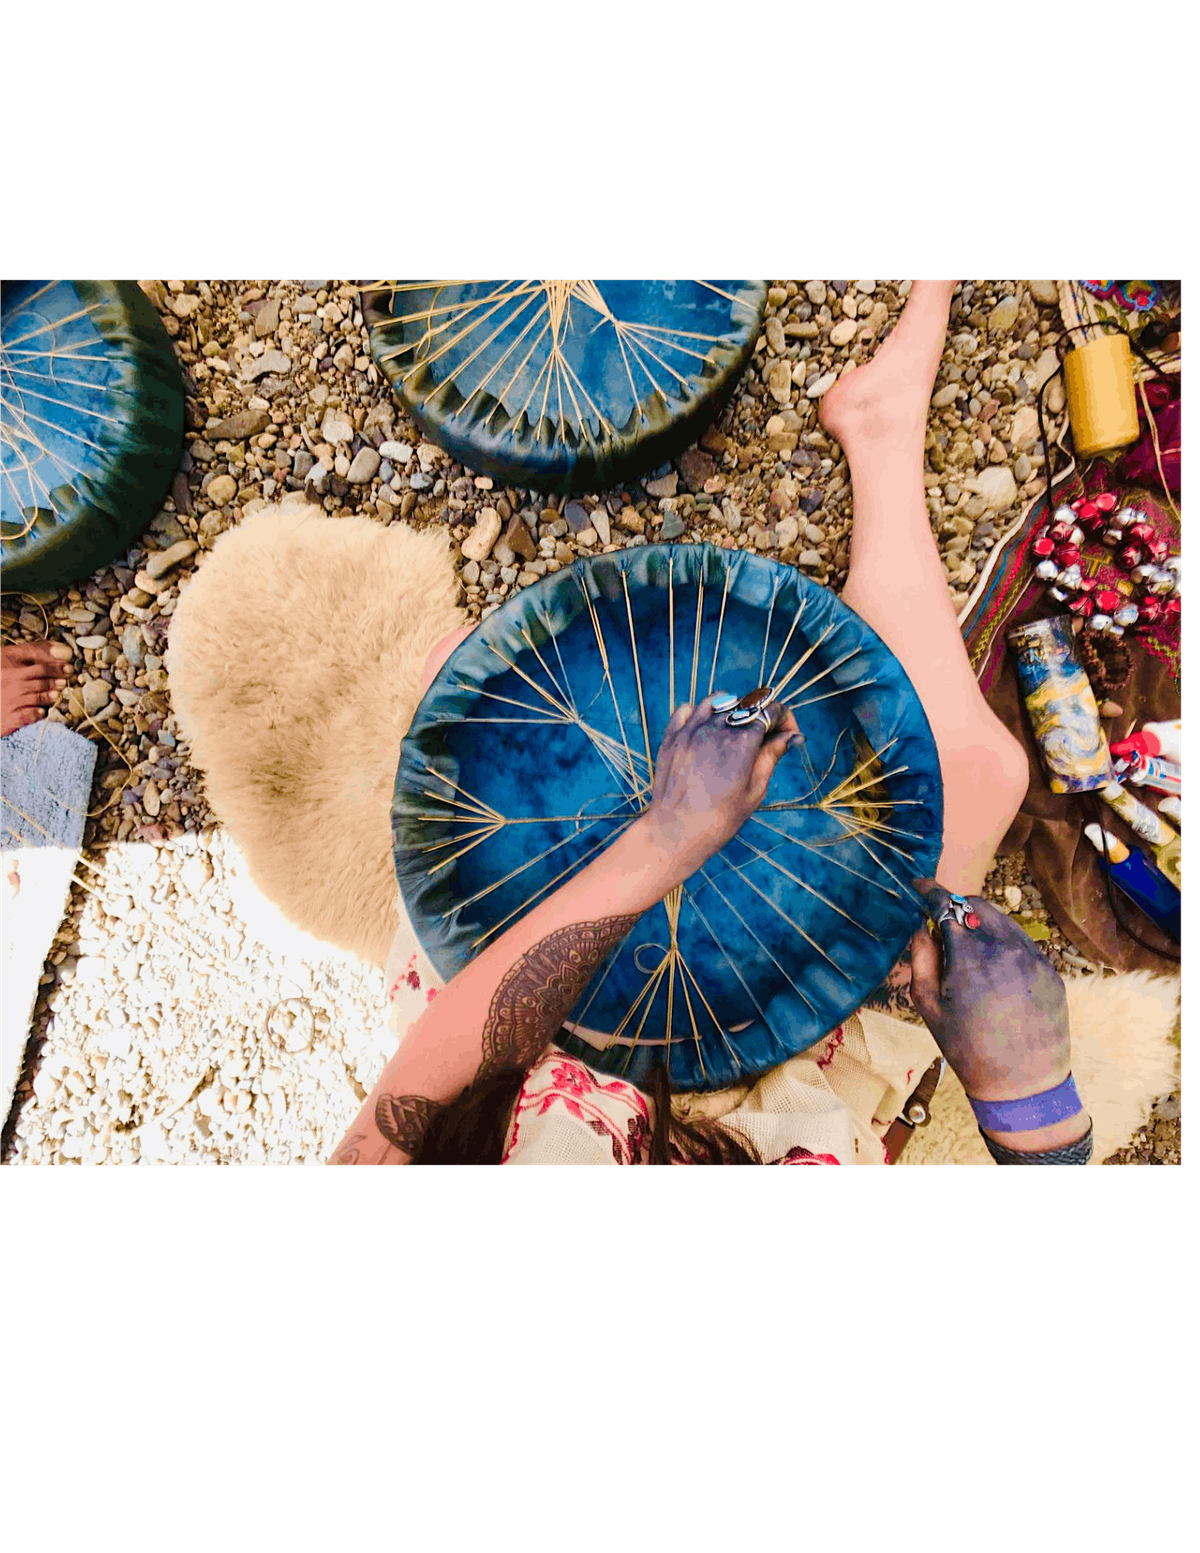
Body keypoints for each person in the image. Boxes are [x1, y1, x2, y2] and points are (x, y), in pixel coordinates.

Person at [319, 276, 1088, 1166]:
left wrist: (669, 837)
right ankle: (881, 433)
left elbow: (415, 1101)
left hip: (516, 1041)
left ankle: (880, 437)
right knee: (975, 772)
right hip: (751, 1118)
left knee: (480, 705)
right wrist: (1034, 1114)